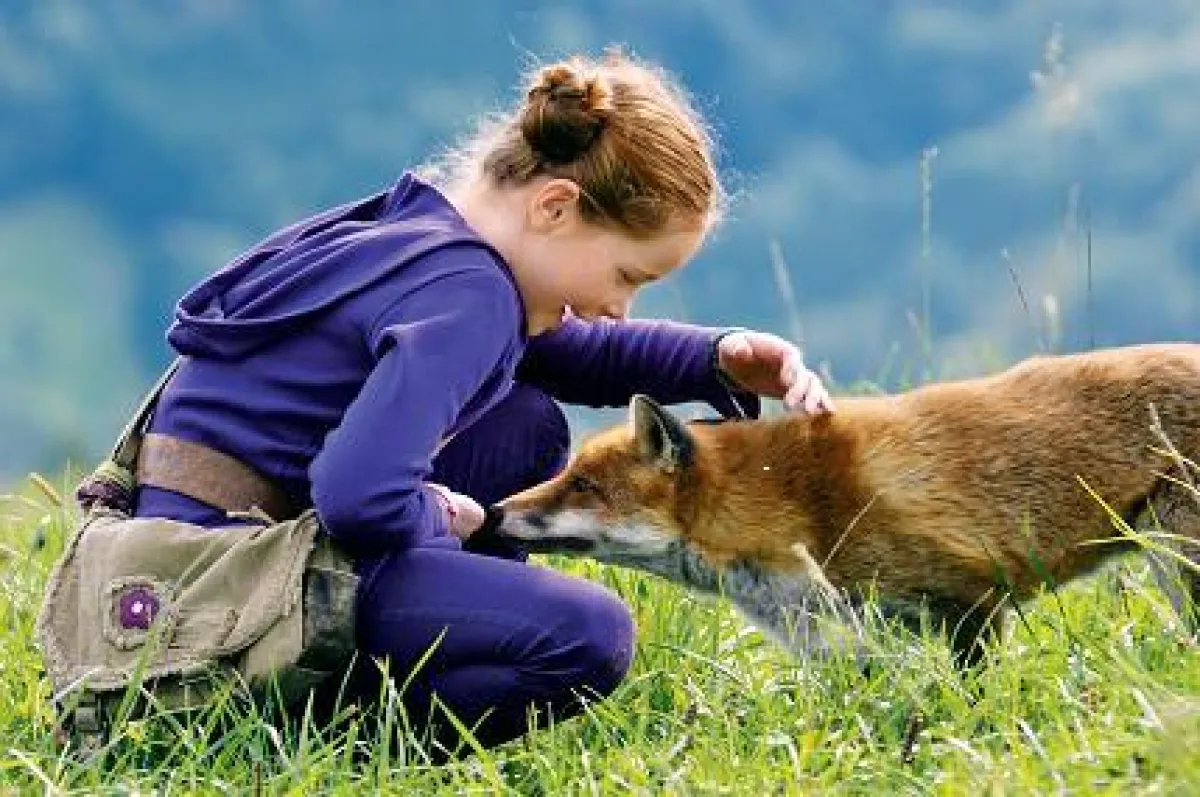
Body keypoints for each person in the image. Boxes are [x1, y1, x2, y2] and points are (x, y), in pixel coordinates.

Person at [132, 50, 834, 754]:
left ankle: (407, 653)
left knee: (520, 425)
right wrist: (440, 516)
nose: (619, 309)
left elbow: (568, 353)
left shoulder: (427, 238)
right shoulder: (468, 295)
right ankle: (341, 746)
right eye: (626, 275)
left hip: (175, 562)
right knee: (588, 636)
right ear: (554, 205)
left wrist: (722, 357)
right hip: (225, 591)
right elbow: (355, 495)